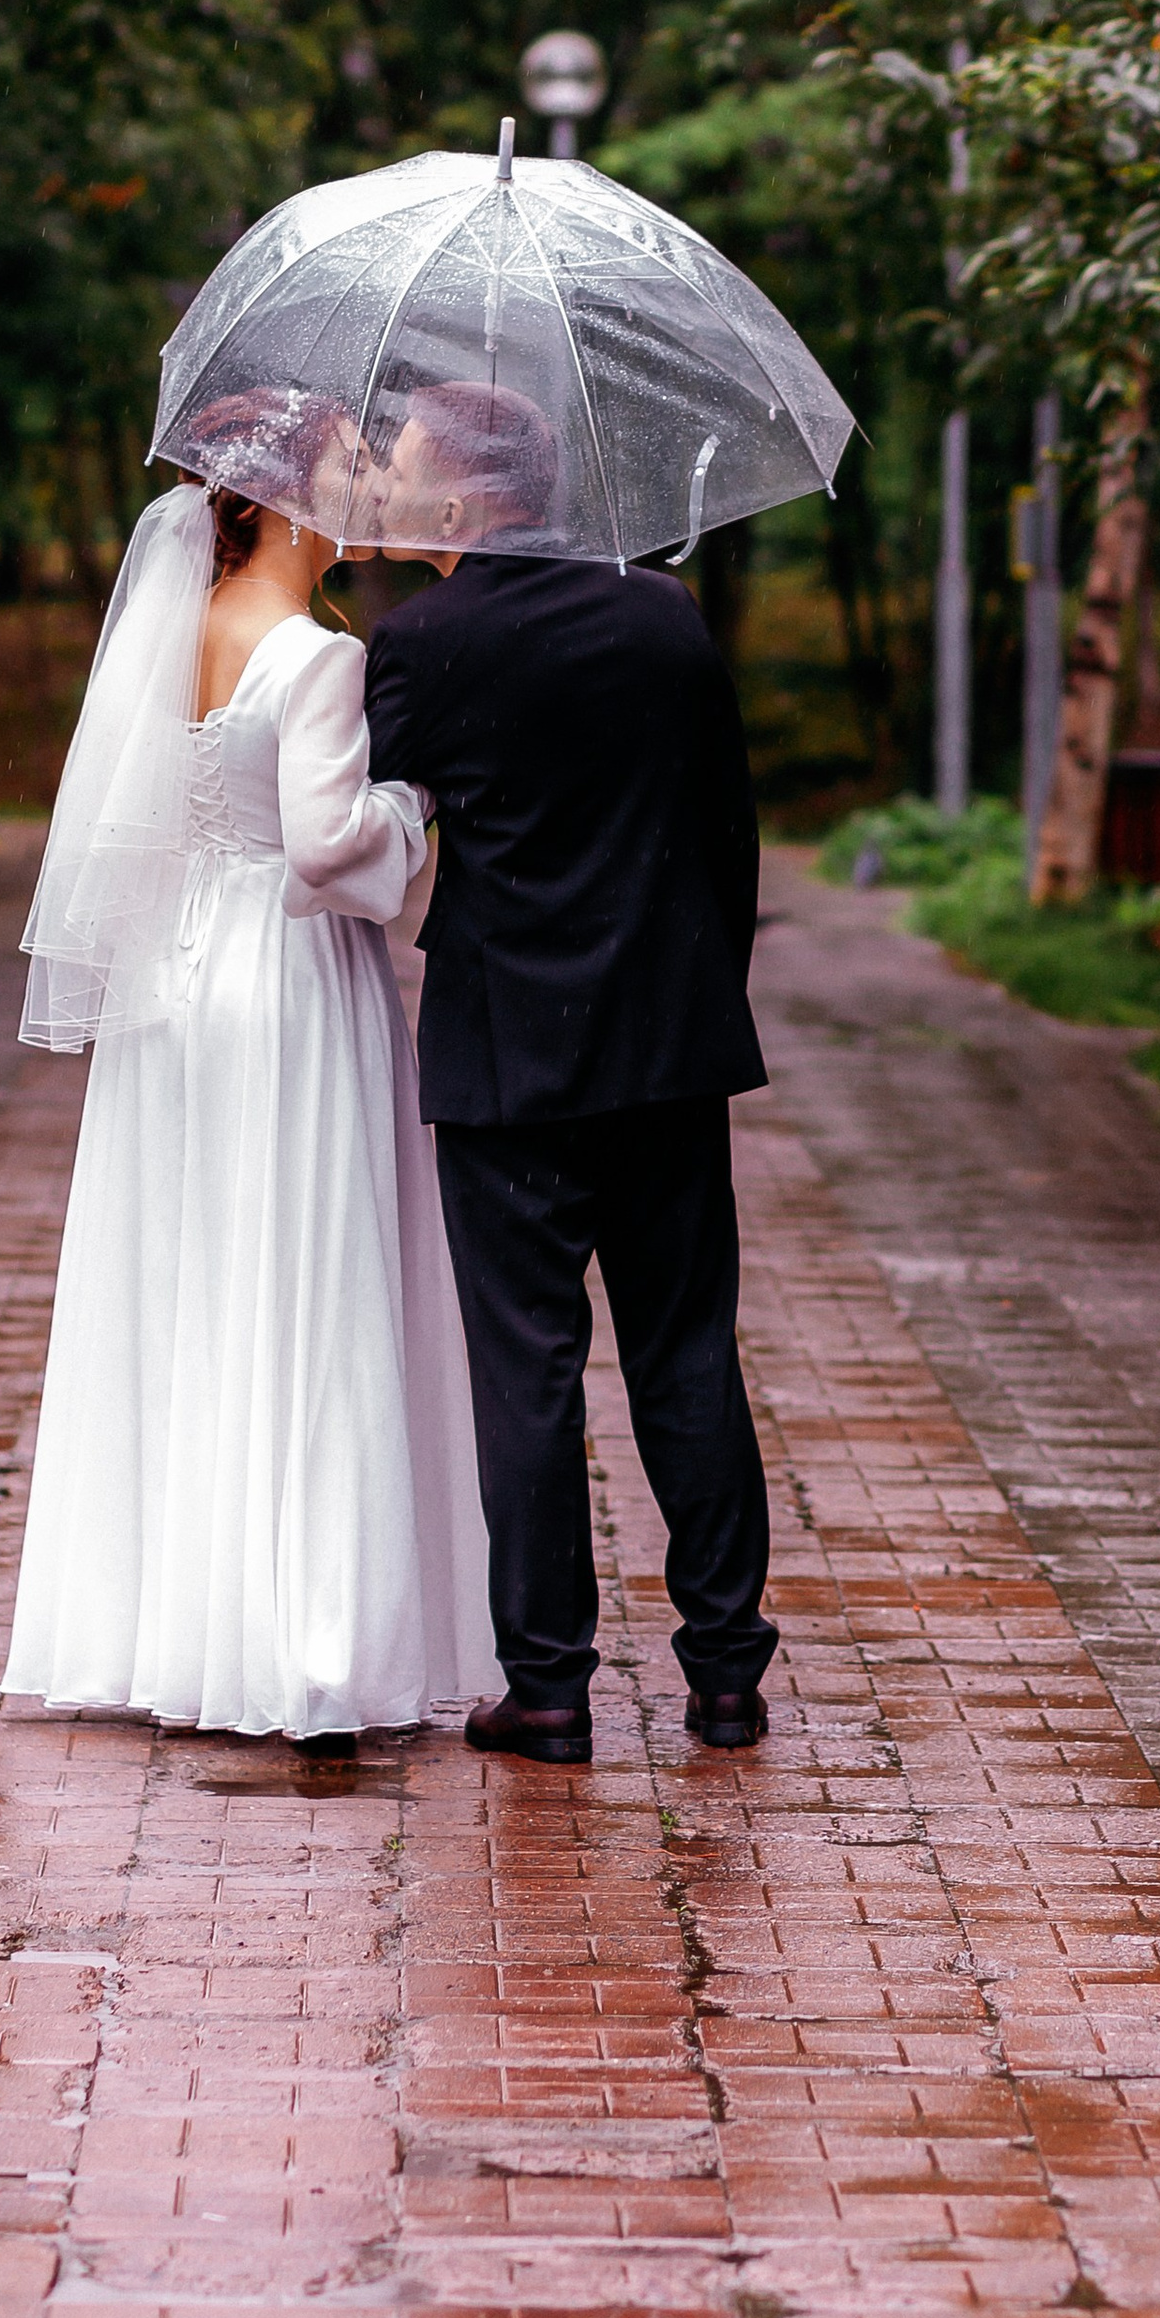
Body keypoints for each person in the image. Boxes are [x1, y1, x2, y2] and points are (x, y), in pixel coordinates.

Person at [3, 386, 499, 1754]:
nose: (360, 488)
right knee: (306, 1271)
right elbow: (334, 852)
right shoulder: (319, 655)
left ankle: (175, 1621)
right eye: (344, 465)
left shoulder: (180, 641)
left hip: (180, 977)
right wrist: (418, 805)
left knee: (199, 1278)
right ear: (271, 502)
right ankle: (306, 1639)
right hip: (289, 979)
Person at [365, 379, 775, 1763]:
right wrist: (700, 991)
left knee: (527, 1373)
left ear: (472, 494)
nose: (393, 482)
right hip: (669, 1051)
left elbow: (387, 830)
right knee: (687, 1358)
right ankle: (726, 1674)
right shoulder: (665, 618)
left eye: (410, 463)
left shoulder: (419, 642)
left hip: (505, 1067)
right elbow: (731, 836)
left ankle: (549, 1689)